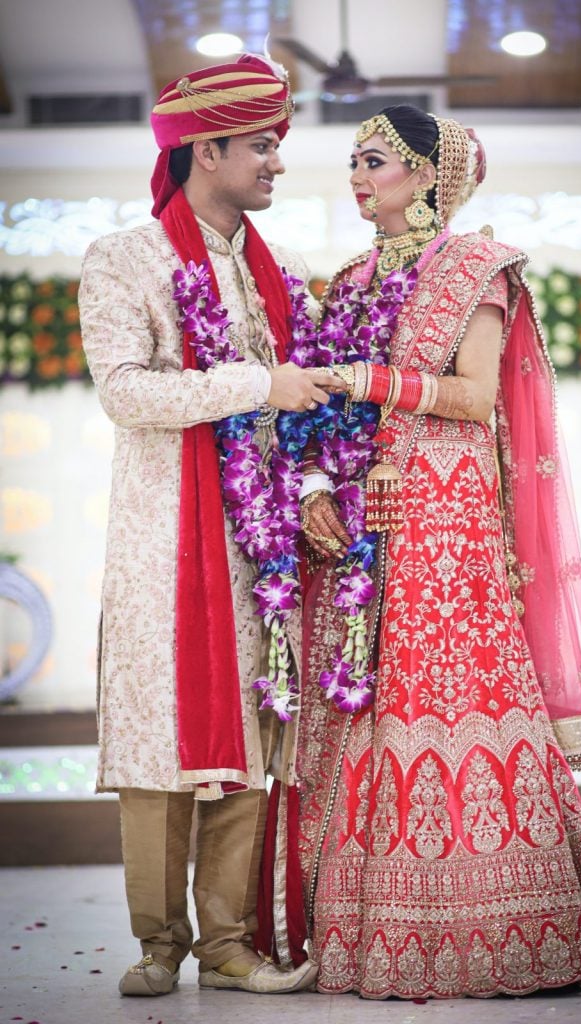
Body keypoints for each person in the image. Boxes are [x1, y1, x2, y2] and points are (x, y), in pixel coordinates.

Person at [293, 106, 581, 999]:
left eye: (373, 161)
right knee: (364, 693)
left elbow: (475, 395)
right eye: (354, 161)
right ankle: (371, 925)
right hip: (364, 511)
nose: (357, 176)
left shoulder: (476, 268)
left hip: (443, 509)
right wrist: (316, 487)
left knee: (443, 689)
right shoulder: (347, 277)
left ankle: (500, 923)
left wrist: (373, 381)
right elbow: (320, 410)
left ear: (427, 175)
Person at [78, 53, 331, 997]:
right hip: (162, 539)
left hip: (259, 542)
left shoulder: (282, 272)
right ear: (205, 148)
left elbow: (304, 406)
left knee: (252, 734)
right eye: (261, 147)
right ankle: (158, 942)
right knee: (158, 735)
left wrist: (307, 480)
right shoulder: (124, 259)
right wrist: (254, 384)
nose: (275, 163)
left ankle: (227, 945)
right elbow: (125, 393)